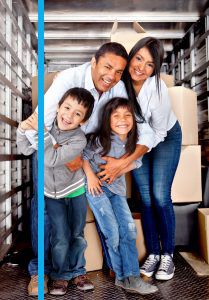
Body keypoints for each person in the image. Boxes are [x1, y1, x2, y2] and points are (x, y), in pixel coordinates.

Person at [17, 87, 95, 296]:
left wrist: (41, 132)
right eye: (67, 108)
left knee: (76, 235)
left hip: (74, 192)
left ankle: (78, 271)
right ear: (58, 107)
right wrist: (23, 128)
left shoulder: (79, 140)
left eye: (77, 114)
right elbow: (25, 149)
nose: (69, 115)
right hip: (51, 194)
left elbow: (50, 159)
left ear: (83, 121)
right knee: (60, 237)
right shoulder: (48, 129)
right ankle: (60, 276)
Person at [83, 97, 158, 295]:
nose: (122, 119)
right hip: (96, 188)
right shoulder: (99, 139)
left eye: (127, 115)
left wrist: (124, 165)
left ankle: (131, 277)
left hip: (116, 190)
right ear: (107, 119)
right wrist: (90, 176)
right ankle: (121, 275)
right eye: (116, 116)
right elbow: (81, 155)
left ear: (134, 119)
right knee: (113, 232)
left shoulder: (134, 144)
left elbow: (138, 162)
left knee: (129, 231)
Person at [121, 37, 182, 280]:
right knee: (145, 198)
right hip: (137, 140)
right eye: (138, 59)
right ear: (131, 56)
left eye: (149, 64)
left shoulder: (158, 89)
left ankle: (168, 255)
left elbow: (157, 132)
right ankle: (154, 254)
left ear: (155, 69)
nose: (141, 68)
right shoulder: (120, 83)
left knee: (159, 195)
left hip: (165, 137)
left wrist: (132, 156)